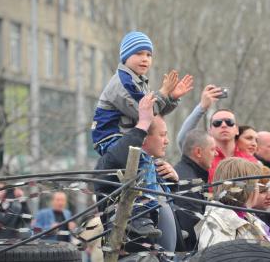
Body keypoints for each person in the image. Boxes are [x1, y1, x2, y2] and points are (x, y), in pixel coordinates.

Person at [94, 94, 180, 252]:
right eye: (162, 135)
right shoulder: (112, 163)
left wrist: (173, 185)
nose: (167, 141)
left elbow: (166, 214)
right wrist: (143, 124)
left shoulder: (152, 169)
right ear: (144, 138)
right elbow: (115, 158)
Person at [91, 31, 193, 156]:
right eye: (139, 53)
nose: (145, 59)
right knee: (144, 164)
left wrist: (171, 97)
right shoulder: (122, 82)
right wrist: (163, 92)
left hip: (126, 138)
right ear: (125, 57)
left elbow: (155, 115)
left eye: (149, 55)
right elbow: (144, 112)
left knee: (152, 165)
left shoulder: (139, 81)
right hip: (110, 138)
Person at [195, 158, 269, 250]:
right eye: (256, 185)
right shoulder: (217, 224)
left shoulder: (245, 216)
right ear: (245, 188)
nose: (257, 189)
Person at [173, 129, 217, 250]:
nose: (216, 154)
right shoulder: (189, 183)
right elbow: (193, 232)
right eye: (212, 149)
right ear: (198, 152)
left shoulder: (188, 174)